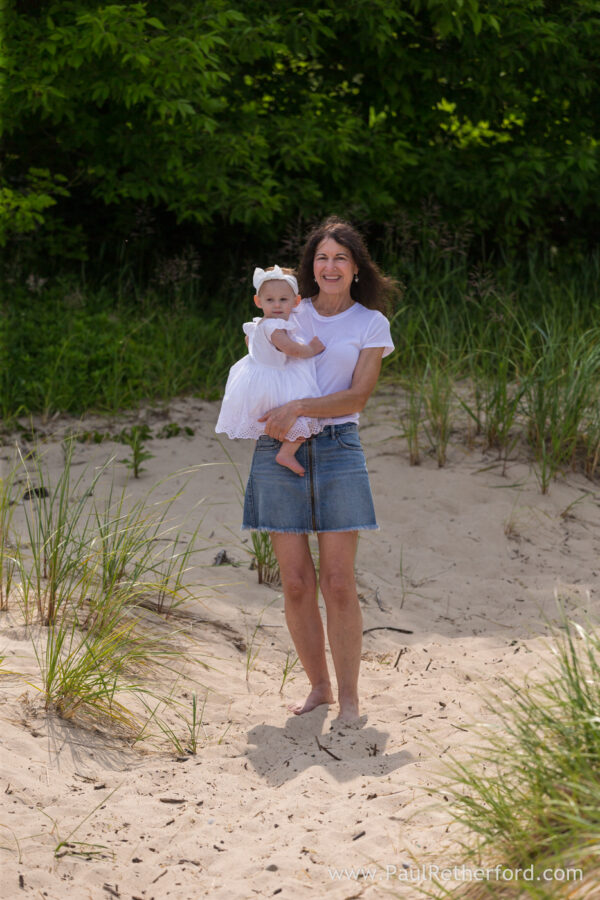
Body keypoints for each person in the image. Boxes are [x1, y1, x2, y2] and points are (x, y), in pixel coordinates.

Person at [243, 217, 396, 723]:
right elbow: (263, 356)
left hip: (338, 448)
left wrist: (301, 406)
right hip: (278, 448)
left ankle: (350, 697)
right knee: (294, 582)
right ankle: (319, 688)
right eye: (322, 258)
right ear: (311, 267)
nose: (330, 267)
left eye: (340, 258)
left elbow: (358, 396)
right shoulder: (290, 309)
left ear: (356, 268)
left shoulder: (371, 323)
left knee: (338, 581)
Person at [215, 265, 326, 475]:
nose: (276, 305)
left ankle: (271, 447)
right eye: (270, 300)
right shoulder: (274, 327)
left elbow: (251, 344)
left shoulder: (257, 325)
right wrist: (311, 349)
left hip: (256, 380)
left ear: (296, 301)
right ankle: (286, 453)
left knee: (267, 422)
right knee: (303, 420)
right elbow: (291, 349)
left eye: (283, 299)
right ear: (258, 302)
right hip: (276, 381)